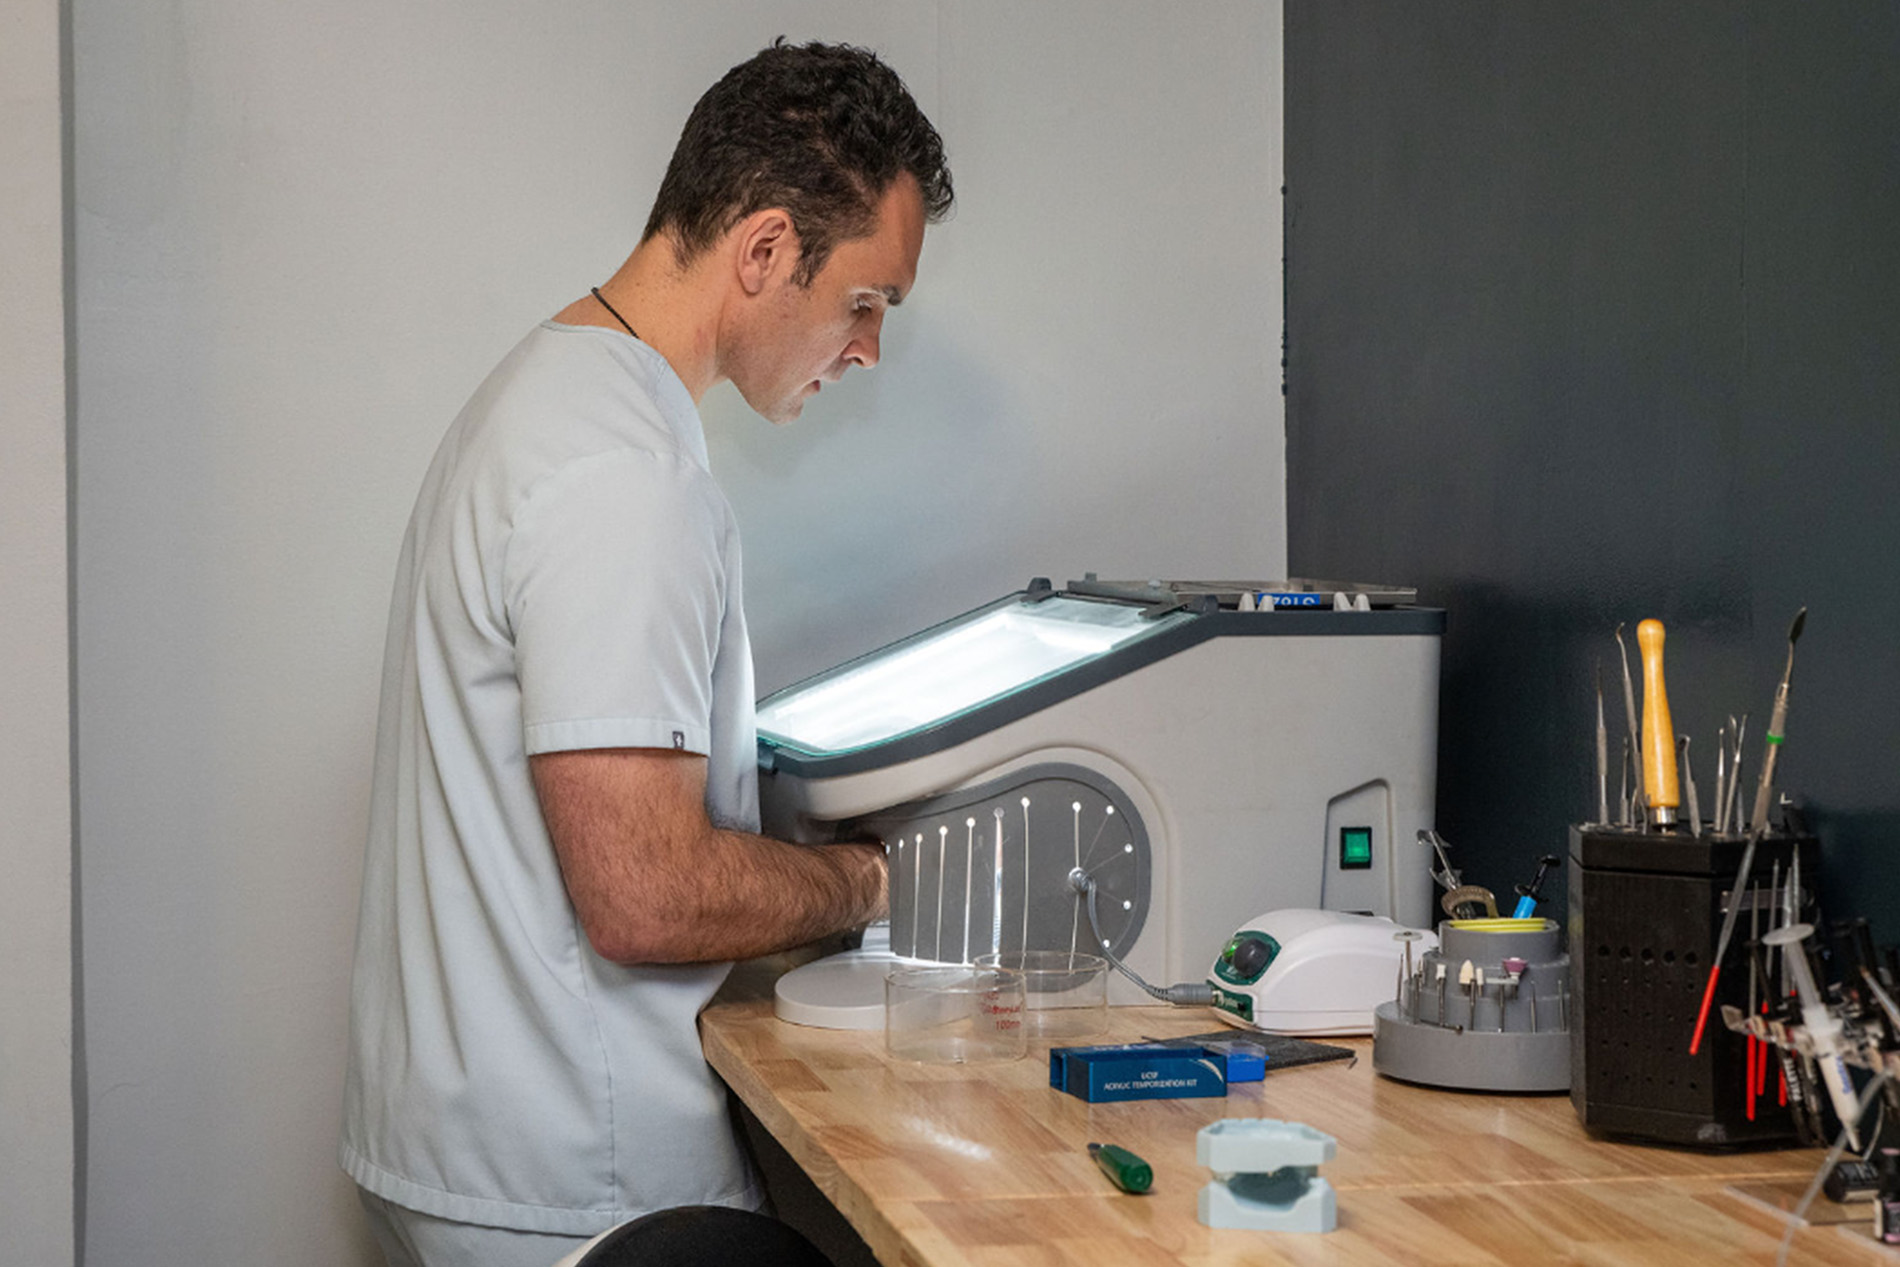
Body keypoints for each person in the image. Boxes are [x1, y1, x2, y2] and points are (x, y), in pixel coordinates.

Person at [341, 39, 953, 1267]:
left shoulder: (539, 400)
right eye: (867, 301)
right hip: (576, 1180)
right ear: (767, 249)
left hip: (479, 1145)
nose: (869, 348)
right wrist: (872, 883)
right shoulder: (626, 475)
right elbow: (643, 890)